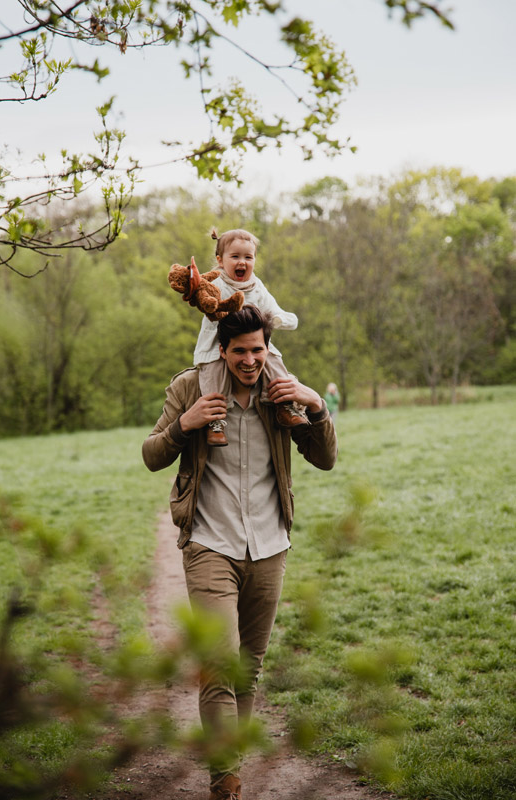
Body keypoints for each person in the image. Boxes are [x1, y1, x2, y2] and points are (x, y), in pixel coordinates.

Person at [142, 305, 337, 800]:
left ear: (268, 348)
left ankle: (233, 765)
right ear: (222, 350)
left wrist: (315, 404)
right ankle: (224, 783)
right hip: (211, 542)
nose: (250, 360)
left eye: (259, 350)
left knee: (247, 669)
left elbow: (324, 459)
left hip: (270, 544)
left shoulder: (282, 388)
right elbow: (151, 455)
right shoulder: (192, 386)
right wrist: (184, 424)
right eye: (240, 351)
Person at [194, 228, 306, 447]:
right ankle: (215, 422)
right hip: (217, 344)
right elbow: (204, 301)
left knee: (275, 363)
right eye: (235, 257)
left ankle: (284, 406)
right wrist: (208, 304)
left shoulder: (257, 287)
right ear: (220, 260)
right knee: (214, 377)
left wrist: (279, 320)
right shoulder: (216, 284)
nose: (242, 262)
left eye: (248, 257)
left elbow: (273, 309)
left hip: (252, 343)